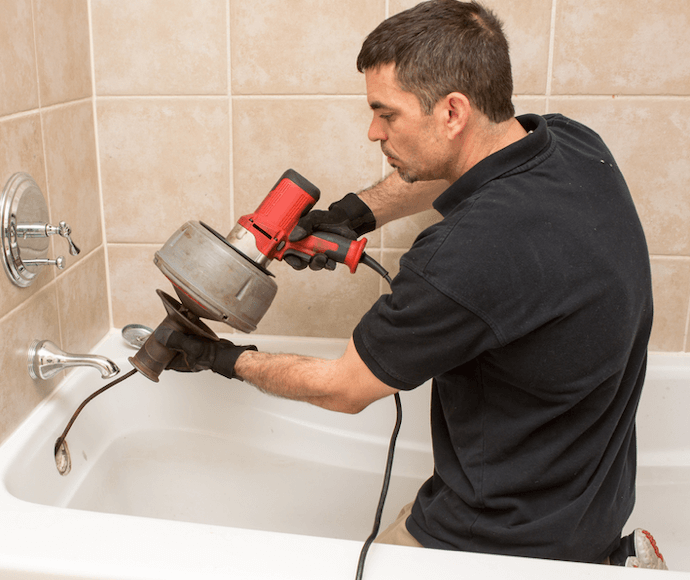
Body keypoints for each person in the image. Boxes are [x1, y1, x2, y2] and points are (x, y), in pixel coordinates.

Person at [155, 0, 667, 568]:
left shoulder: (466, 254)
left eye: (387, 114)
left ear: (452, 112)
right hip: (587, 503)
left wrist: (223, 358)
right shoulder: (571, 145)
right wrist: (355, 213)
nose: (373, 131)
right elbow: (460, 167)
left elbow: (343, 389)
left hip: (497, 541)